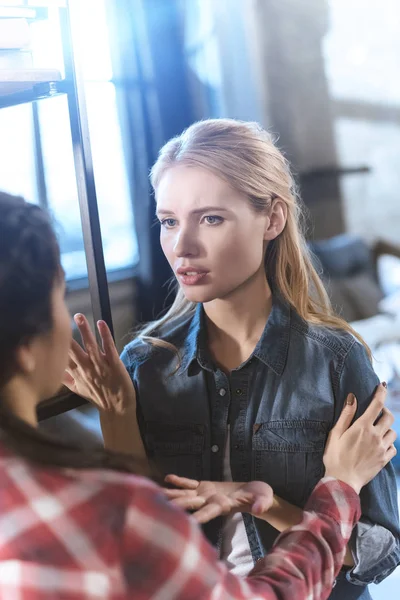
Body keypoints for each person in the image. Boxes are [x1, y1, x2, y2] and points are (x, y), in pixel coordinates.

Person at [0, 194, 397, 600]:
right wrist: (336, 485)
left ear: (273, 219)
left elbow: (381, 548)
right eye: (168, 222)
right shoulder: (144, 364)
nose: (181, 246)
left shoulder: (337, 358)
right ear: (25, 349)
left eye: (210, 218)